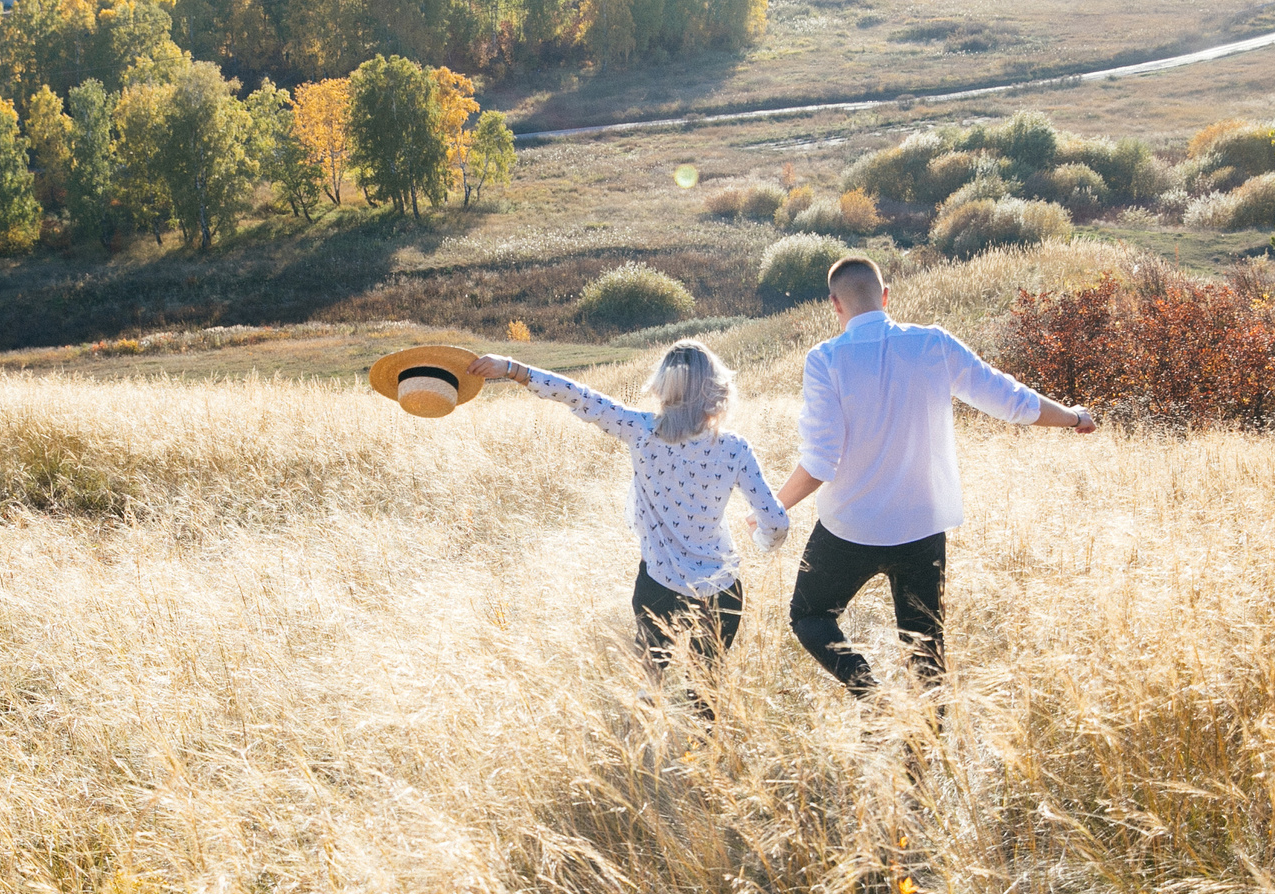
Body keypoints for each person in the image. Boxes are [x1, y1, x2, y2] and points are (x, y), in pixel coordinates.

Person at [775, 255, 1096, 696]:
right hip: (921, 528)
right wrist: (1074, 417)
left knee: (809, 616)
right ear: (885, 296)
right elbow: (1011, 400)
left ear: (835, 305)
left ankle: (874, 697)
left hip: (850, 528)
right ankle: (924, 758)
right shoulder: (932, 345)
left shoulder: (825, 359)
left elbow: (820, 461)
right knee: (926, 650)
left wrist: (773, 507)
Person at [470, 341, 789, 708]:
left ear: (663, 388)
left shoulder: (641, 431)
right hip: (721, 592)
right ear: (716, 389)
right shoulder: (735, 448)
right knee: (706, 697)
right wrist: (763, 538)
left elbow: (579, 396)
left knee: (648, 687)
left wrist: (512, 367)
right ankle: (705, 760)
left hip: (659, 588)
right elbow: (777, 522)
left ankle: (646, 753)